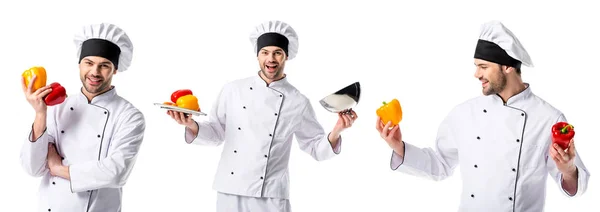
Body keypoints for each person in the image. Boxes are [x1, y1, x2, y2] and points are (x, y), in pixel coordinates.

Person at [376, 20, 590, 211]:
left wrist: (569, 170)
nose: (476, 74)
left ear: (507, 66)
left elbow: (576, 187)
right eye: (476, 66)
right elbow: (440, 165)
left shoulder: (549, 119)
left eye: (483, 67)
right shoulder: (464, 113)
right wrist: (399, 147)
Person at [167, 20, 358, 211]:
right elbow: (216, 133)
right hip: (230, 190)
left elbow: (315, 147)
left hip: (271, 195)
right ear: (257, 55)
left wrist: (337, 129)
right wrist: (191, 125)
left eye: (277, 52)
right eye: (265, 52)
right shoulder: (233, 90)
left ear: (286, 56)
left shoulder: (298, 101)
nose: (271, 59)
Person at [20, 23, 145, 212]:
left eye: (104, 65)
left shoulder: (129, 116)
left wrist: (57, 169)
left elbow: (117, 172)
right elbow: (33, 168)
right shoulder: (56, 107)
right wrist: (40, 113)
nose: (95, 72)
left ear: (115, 70)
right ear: (79, 64)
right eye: (89, 63)